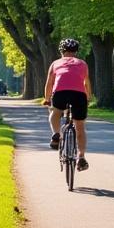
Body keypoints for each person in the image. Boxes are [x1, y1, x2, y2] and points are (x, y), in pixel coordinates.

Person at [43, 37, 91, 171]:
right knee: (80, 126)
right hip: (79, 95)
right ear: (76, 51)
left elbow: (49, 83)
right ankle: (81, 157)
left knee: (55, 112)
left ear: (62, 51)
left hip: (60, 93)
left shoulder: (55, 63)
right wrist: (88, 97)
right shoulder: (82, 63)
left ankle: (56, 134)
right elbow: (86, 83)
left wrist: (47, 99)